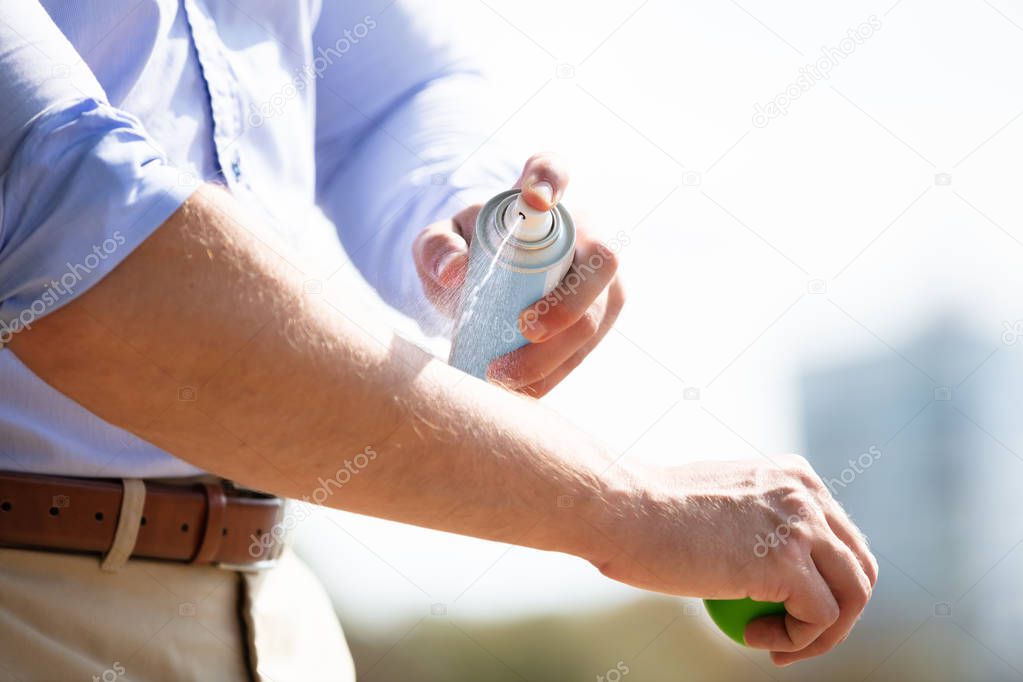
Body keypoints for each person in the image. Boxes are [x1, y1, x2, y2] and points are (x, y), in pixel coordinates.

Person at [0, 1, 876, 680]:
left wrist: (476, 219)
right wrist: (628, 506)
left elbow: (393, 93)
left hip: (274, 607)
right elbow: (80, 248)